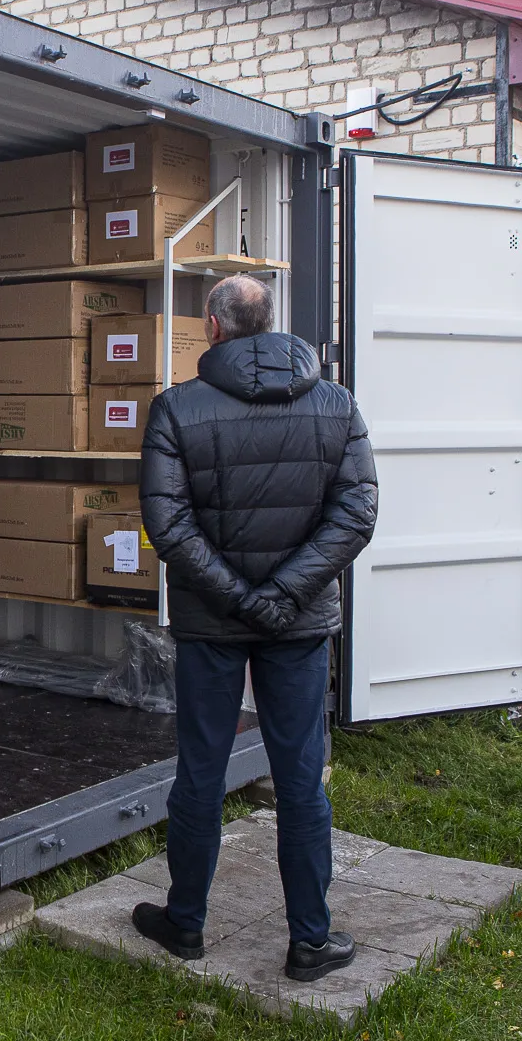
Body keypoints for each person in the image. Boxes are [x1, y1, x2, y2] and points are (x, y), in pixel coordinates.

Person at [132, 274, 377, 981]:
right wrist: (282, 595)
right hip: (297, 626)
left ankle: (185, 923)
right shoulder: (338, 406)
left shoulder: (176, 409)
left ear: (212, 327)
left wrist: (243, 596)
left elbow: (168, 526)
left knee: (200, 773)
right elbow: (355, 514)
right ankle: (310, 939)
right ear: (269, 322)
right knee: (300, 777)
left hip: (213, 624)